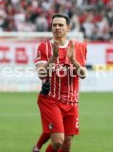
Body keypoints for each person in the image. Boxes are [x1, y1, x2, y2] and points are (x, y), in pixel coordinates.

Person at [34, 13, 87, 152]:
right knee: (58, 141)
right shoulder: (44, 47)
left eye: (61, 25)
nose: (57, 28)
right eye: (54, 25)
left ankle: (36, 148)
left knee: (67, 144)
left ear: (68, 28)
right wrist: (54, 57)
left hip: (71, 101)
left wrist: (73, 60)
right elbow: (41, 74)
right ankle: (38, 147)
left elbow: (83, 74)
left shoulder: (78, 47)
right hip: (51, 99)